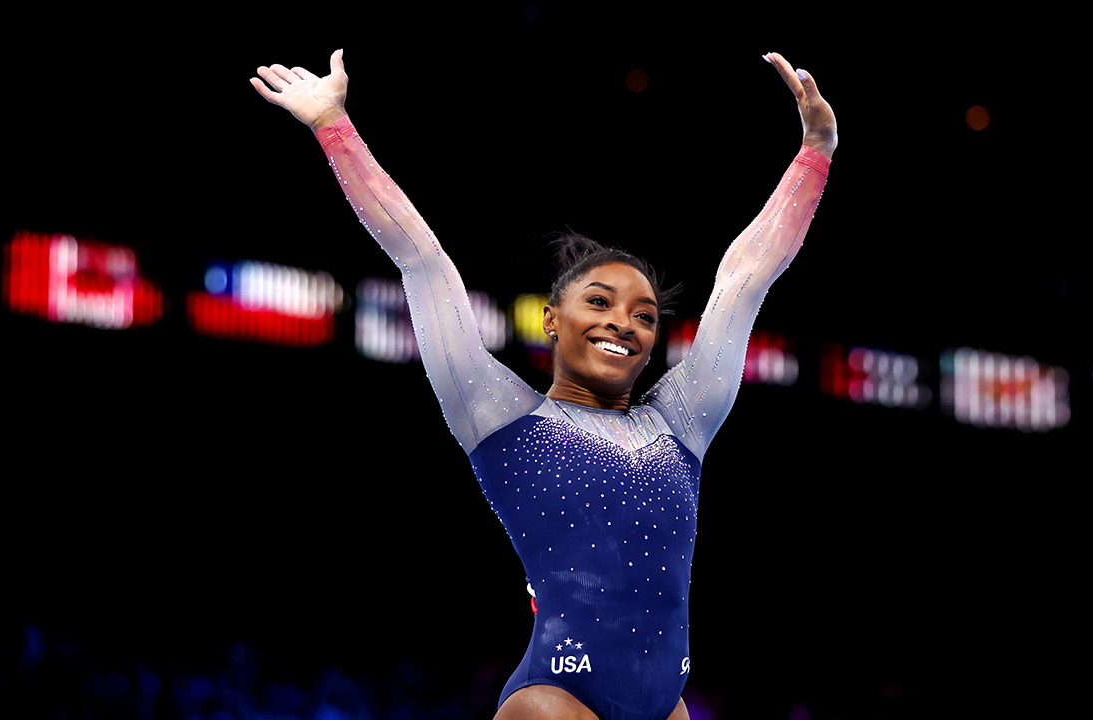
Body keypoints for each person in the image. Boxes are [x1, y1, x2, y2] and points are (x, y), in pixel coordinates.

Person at [251, 48, 837, 720]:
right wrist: (335, 126)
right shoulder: (499, 415)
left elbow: (746, 277)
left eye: (645, 315)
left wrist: (816, 151)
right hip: (555, 700)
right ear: (551, 321)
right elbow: (420, 259)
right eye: (600, 303)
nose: (625, 322)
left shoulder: (683, 422)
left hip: (668, 704)